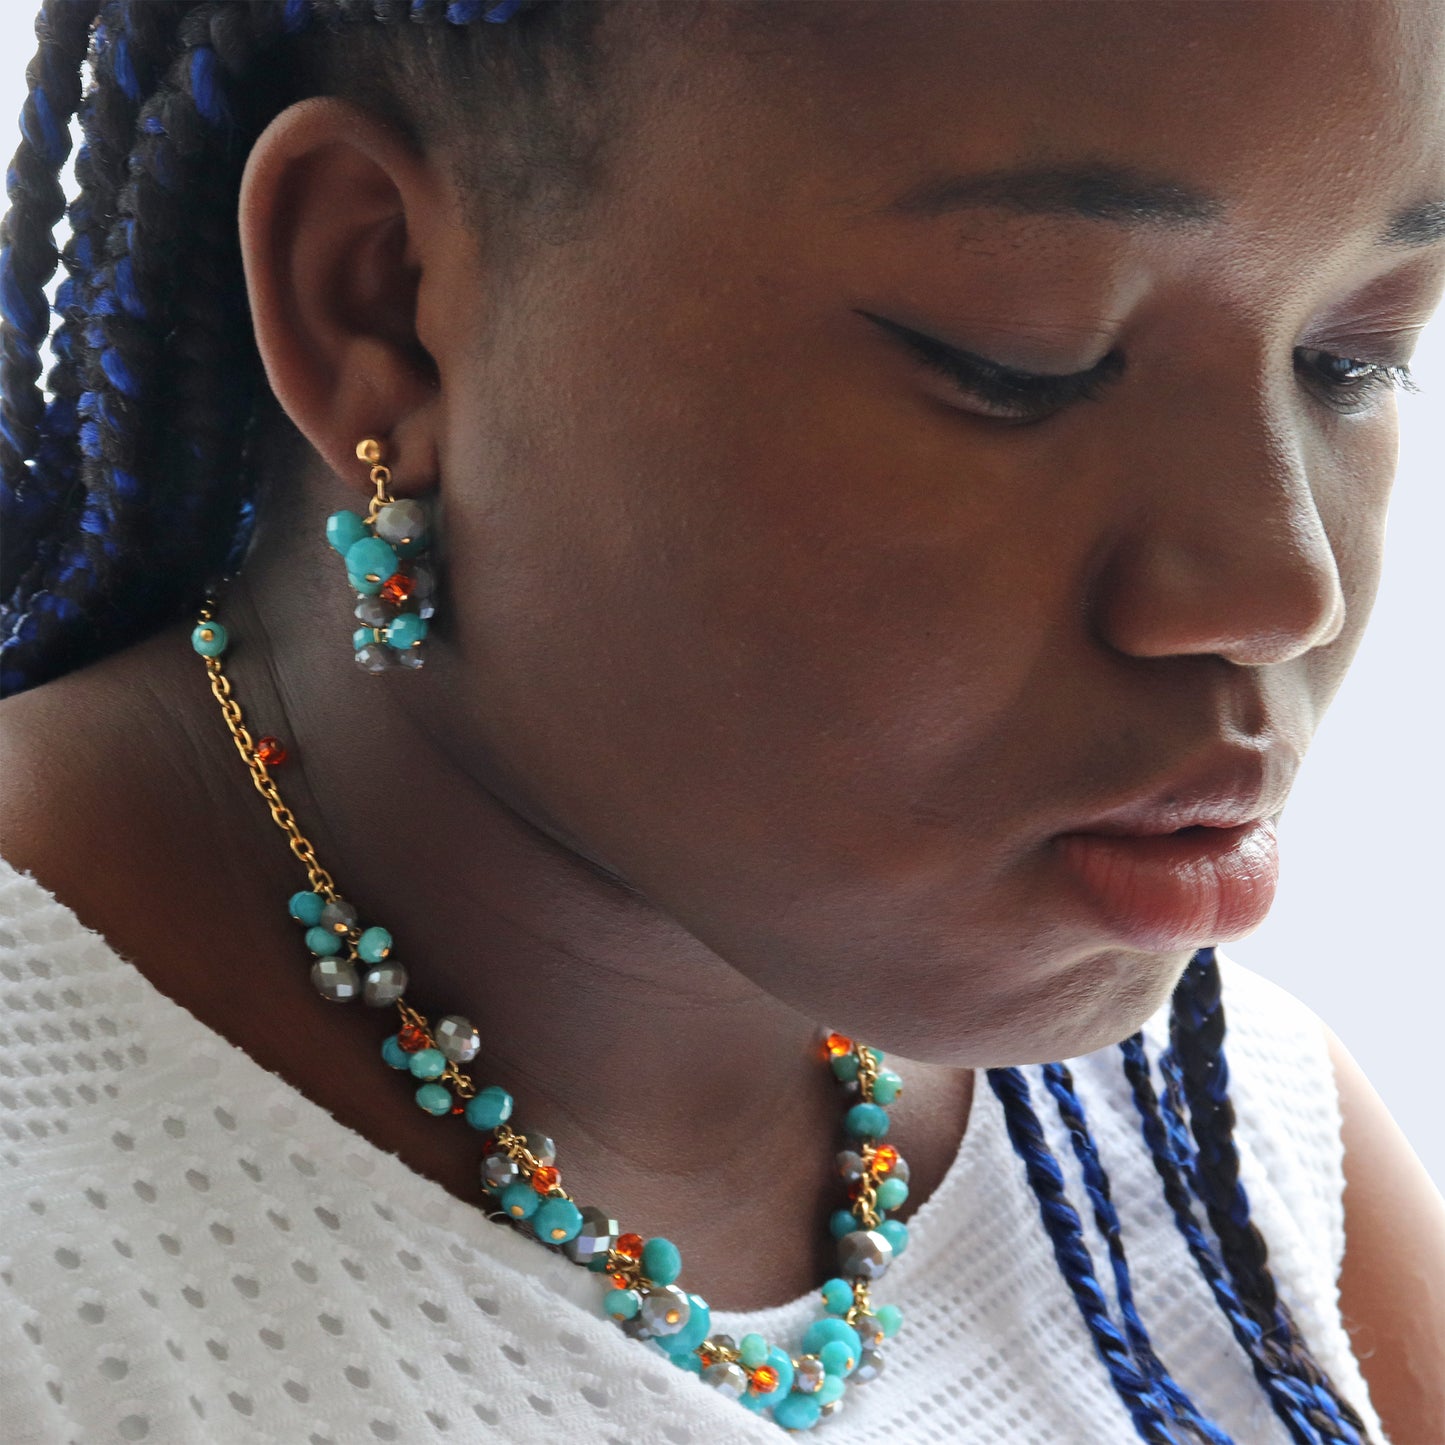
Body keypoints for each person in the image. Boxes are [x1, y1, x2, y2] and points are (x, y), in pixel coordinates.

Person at [0, 0, 1442, 1440]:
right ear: (383, 304)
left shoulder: (1233, 1169)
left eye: (1354, 354)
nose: (1279, 587)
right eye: (1025, 360)